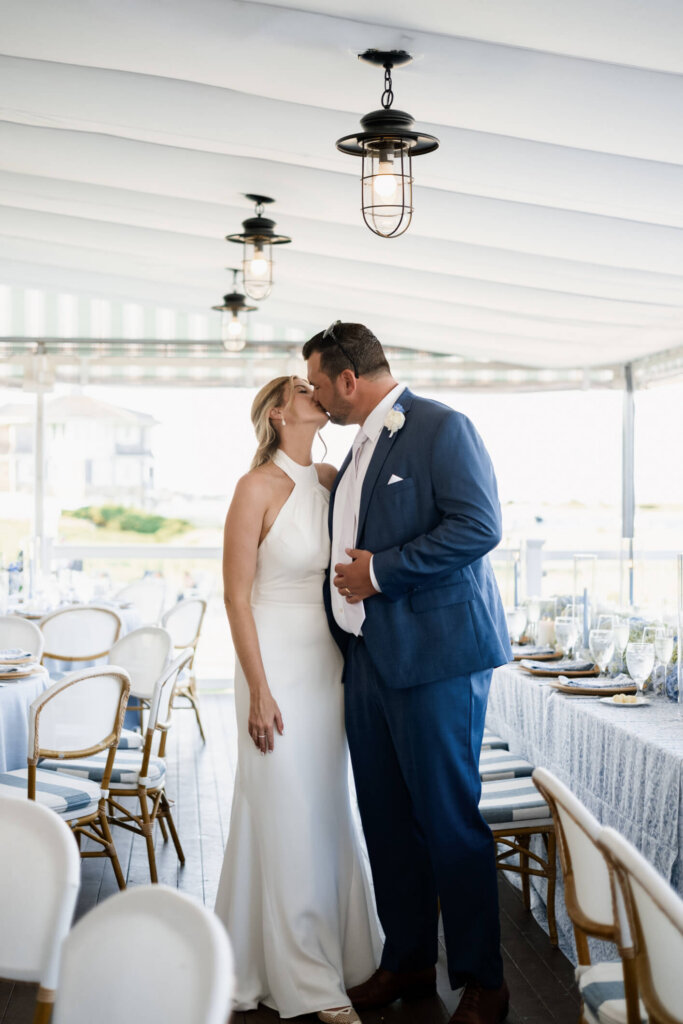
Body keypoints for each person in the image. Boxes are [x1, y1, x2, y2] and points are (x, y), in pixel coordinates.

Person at [303, 323, 512, 1024]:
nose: (315, 397)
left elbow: (478, 526)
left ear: (348, 379)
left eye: (317, 383)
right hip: (367, 658)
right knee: (385, 821)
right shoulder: (356, 447)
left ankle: (485, 980)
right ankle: (407, 962)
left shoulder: (442, 427)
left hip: (436, 659)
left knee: (448, 822)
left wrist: (380, 572)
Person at [214, 375, 381, 1023]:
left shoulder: (330, 479)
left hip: (326, 661)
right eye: (305, 390)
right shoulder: (252, 487)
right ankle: (307, 981)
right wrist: (258, 690)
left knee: (320, 805)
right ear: (280, 413)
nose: (320, 394)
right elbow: (234, 596)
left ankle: (338, 954)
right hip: (272, 664)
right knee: (280, 805)